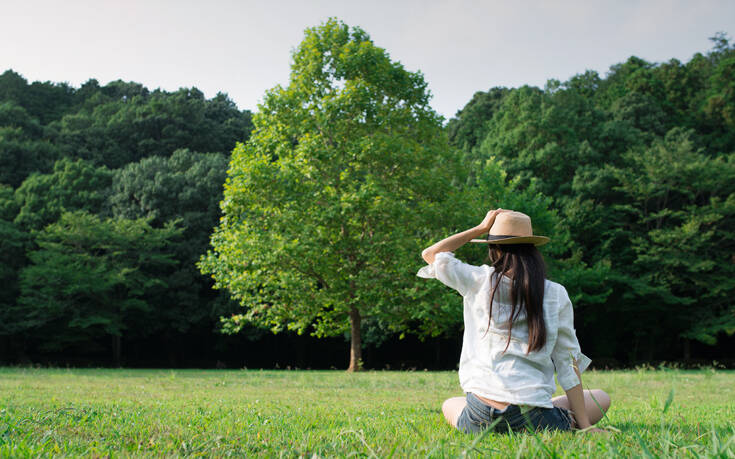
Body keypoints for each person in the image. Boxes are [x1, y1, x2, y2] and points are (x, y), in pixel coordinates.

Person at [417, 209, 610, 434]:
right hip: (535, 415)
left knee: (450, 403)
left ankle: (495, 425)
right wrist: (585, 425)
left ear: (494, 250)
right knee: (601, 398)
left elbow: (432, 254)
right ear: (532, 250)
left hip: (481, 414)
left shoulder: (478, 280)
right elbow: (569, 361)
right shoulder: (556, 293)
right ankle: (554, 420)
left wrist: (480, 229)